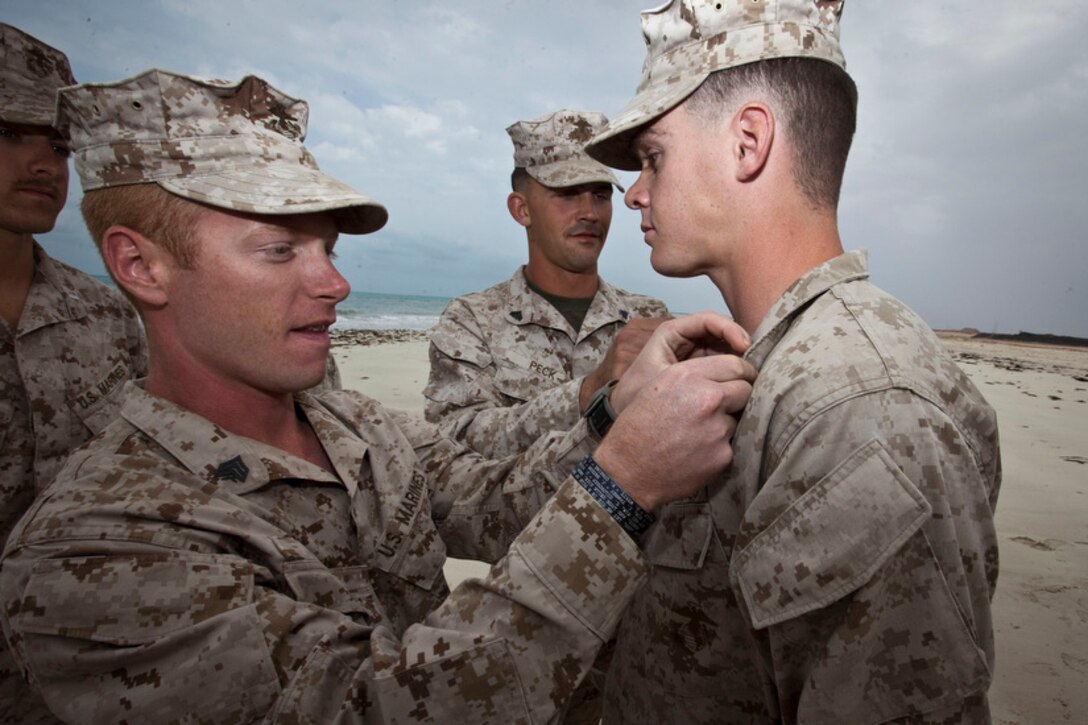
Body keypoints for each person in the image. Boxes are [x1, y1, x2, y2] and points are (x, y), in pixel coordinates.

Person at [0, 68, 756, 723]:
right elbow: (375, 704)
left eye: (327, 247)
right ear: (140, 266)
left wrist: (613, 412)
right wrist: (624, 484)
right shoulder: (93, 546)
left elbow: (497, 499)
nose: (335, 284)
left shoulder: (352, 426)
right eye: (278, 249)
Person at [584, 1, 1002, 722]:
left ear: (748, 142)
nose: (635, 193)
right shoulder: (768, 361)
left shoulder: (859, 406)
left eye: (653, 156)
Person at [0, 24, 148, 724]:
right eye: (7, 135)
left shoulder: (105, 314)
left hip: (81, 677)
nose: (42, 165)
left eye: (58, 146)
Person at [424, 109, 669, 458]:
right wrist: (588, 393)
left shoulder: (648, 318)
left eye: (601, 195)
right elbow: (450, 448)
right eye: (567, 194)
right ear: (521, 210)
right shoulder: (472, 322)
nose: (589, 212)